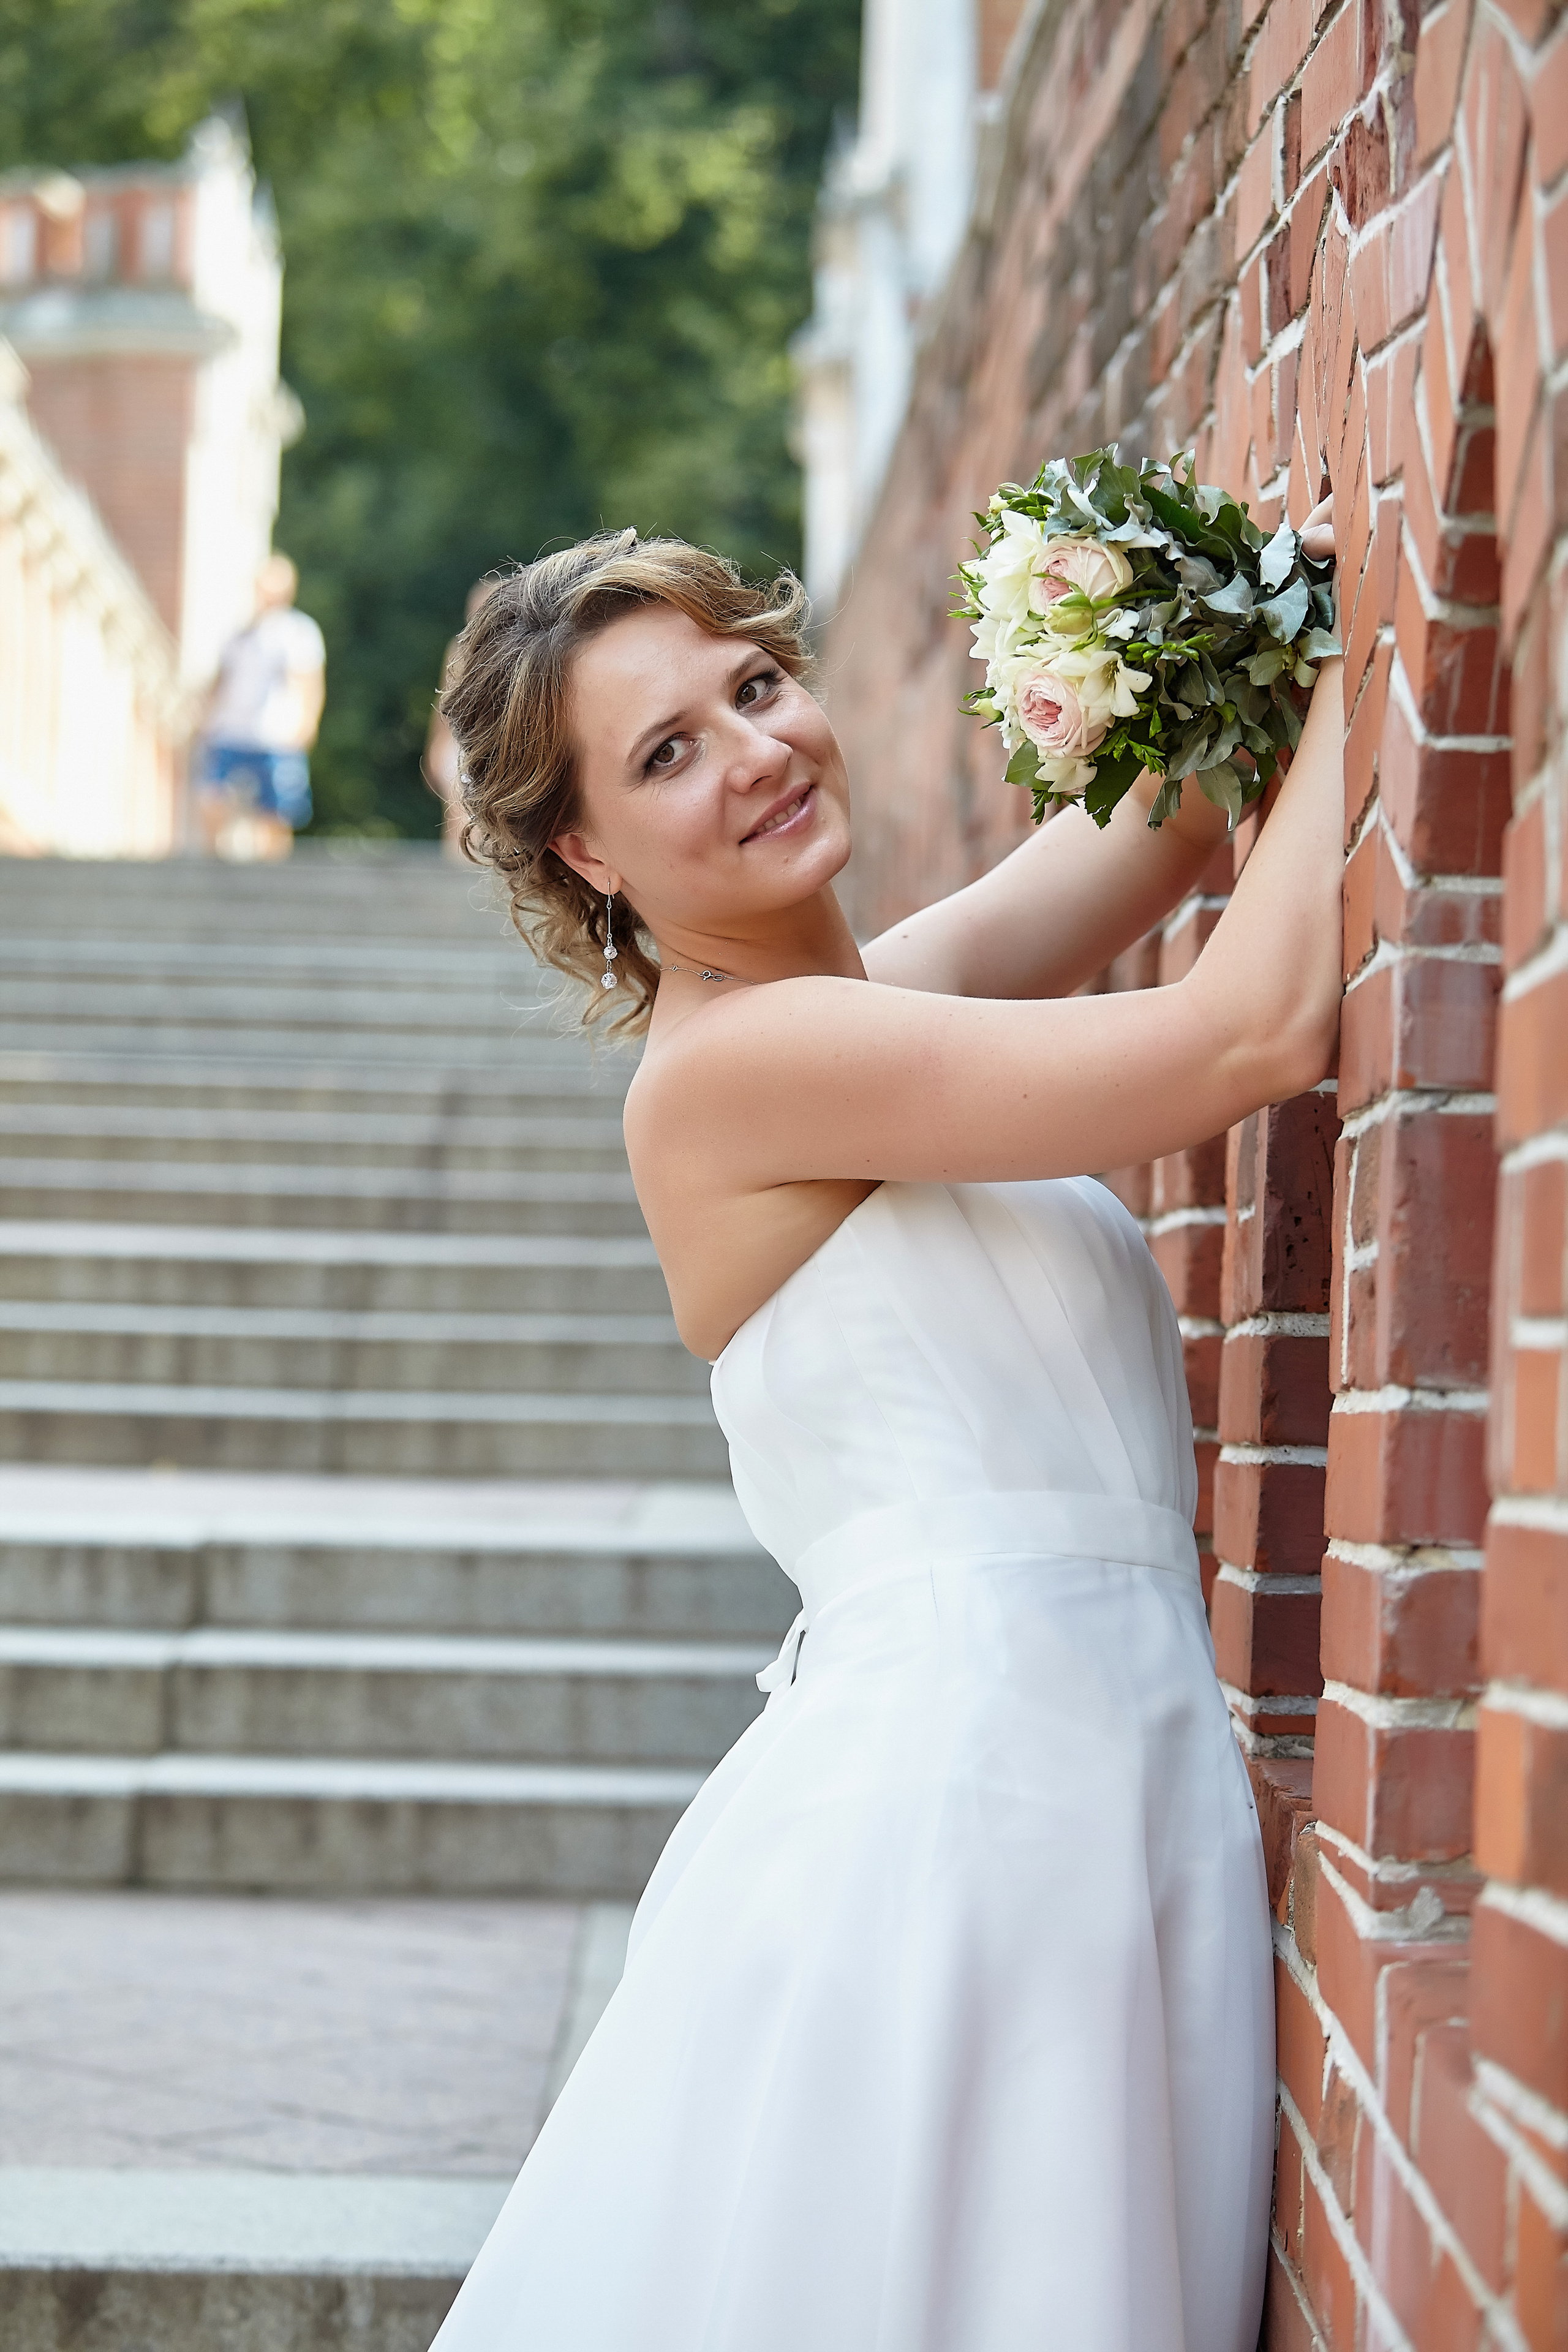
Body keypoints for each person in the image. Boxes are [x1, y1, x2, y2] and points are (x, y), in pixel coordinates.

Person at [429, 496, 1343, 2352]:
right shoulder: (739, 1072)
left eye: (755, 685)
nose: (756, 751)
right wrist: (1388, 635)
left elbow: (1169, 815)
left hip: (1091, 1781)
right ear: (584, 850)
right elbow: (1248, 1033)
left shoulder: (864, 1006)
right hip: (962, 1819)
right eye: (666, 753)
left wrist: (1231, 601)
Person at [197, 553, 325, 860]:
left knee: (276, 812)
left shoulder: (298, 632)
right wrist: (203, 717)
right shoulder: (240, 634)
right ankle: (215, 870)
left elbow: (310, 683)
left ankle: (273, 876)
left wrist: (307, 723)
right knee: (213, 798)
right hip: (231, 731)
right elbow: (221, 680)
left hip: (276, 736)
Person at [423, 578, 499, 856]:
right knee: (457, 814)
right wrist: (435, 747)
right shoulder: (459, 649)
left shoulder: (514, 653)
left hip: (491, 742)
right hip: (461, 743)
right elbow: (445, 703)